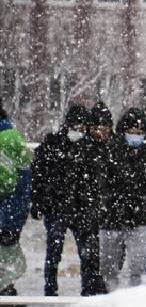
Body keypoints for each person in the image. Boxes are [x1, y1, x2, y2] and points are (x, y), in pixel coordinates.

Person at [30, 103, 108, 296]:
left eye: (82, 128)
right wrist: (38, 201)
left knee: (88, 254)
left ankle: (88, 290)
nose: (79, 131)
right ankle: (50, 290)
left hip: (83, 207)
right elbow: (38, 175)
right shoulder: (52, 145)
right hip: (58, 207)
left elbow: (100, 179)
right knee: (54, 252)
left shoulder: (91, 148)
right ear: (68, 125)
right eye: (76, 127)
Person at [100, 108, 146, 290]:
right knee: (109, 269)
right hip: (112, 218)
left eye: (139, 133)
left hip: (138, 219)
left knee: (138, 267)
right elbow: (103, 183)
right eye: (131, 132)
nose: (135, 136)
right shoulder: (111, 151)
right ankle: (111, 300)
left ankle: (133, 303)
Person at [0, 103, 33, 304]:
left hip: (7, 209)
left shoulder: (8, 139)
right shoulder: (13, 138)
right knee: (7, 258)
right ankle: (7, 296)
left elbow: (21, 182)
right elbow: (24, 182)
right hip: (9, 210)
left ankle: (6, 297)